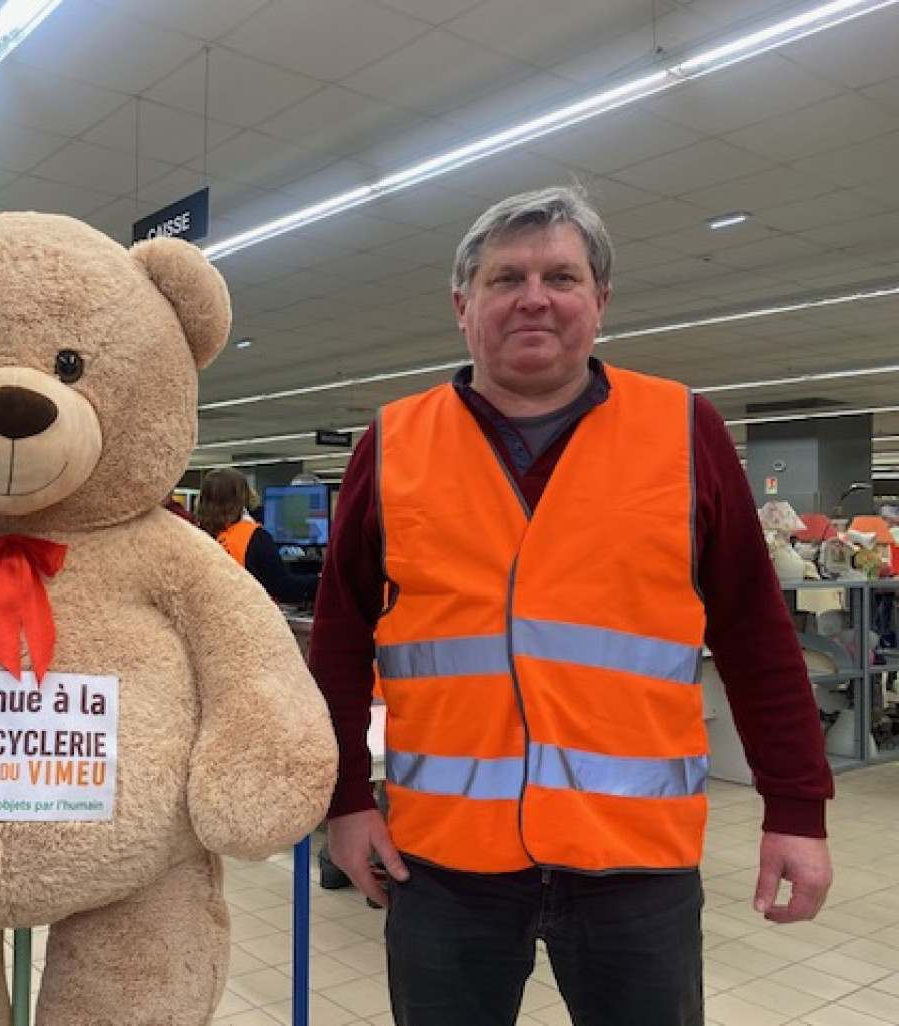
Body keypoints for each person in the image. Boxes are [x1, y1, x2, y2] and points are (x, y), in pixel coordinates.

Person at [308, 184, 834, 1026]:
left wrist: (796, 809)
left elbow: (755, 636)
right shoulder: (396, 441)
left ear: (600, 301)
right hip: (443, 862)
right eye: (504, 277)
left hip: (635, 862)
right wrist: (343, 798)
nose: (534, 297)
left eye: (562, 276)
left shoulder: (682, 429)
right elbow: (339, 639)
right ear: (462, 303)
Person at [197, 468, 317, 605]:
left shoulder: (193, 536)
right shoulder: (255, 536)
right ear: (241, 497)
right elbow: (284, 587)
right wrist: (318, 581)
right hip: (244, 616)